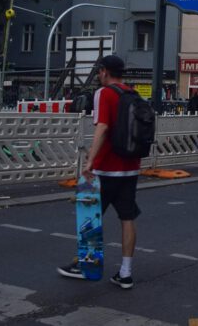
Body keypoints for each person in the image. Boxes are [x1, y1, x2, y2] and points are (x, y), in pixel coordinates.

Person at [58, 55, 140, 289]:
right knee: (127, 218)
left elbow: (102, 127)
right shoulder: (132, 93)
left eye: (99, 71)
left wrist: (90, 161)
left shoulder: (104, 94)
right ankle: (125, 273)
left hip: (106, 168)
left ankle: (87, 265)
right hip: (130, 167)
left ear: (104, 71)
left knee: (90, 217)